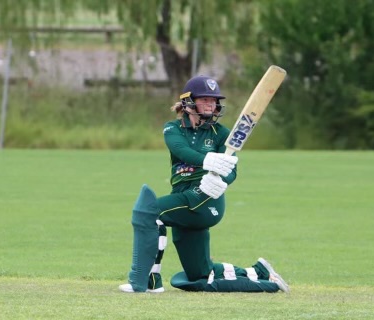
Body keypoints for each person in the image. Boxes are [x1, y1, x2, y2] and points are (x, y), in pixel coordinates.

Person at [119, 75, 289, 293]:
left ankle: (147, 282)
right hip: (183, 198)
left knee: (148, 213)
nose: (211, 104)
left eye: (214, 100)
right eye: (205, 99)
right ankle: (261, 275)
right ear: (189, 102)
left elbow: (231, 170)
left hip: (204, 199)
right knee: (198, 277)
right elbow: (181, 150)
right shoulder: (172, 129)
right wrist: (207, 160)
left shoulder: (222, 134)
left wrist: (220, 181)